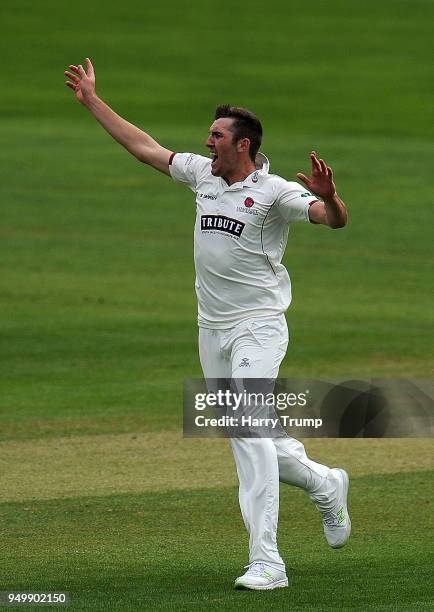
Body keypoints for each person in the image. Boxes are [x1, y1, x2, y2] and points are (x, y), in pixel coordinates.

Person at [65, 58, 351, 591]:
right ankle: (325, 483)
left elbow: (331, 220)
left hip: (258, 328)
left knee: (246, 430)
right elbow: (143, 146)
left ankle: (268, 562)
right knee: (252, 432)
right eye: (209, 134)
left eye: (217, 135)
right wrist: (92, 100)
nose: (208, 140)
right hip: (211, 330)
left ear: (242, 144)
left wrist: (330, 197)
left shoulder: (274, 194)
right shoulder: (202, 173)